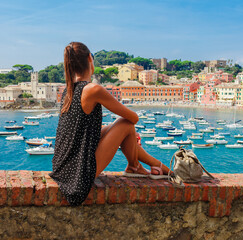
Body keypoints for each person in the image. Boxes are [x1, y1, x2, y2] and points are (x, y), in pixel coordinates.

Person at [49, 42, 171, 206]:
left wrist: (121, 133)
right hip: (79, 174)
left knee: (125, 129)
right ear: (89, 59)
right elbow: (133, 118)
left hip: (63, 169)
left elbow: (80, 131)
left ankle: (139, 166)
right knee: (126, 124)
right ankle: (142, 166)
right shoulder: (93, 89)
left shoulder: (68, 90)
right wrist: (126, 132)